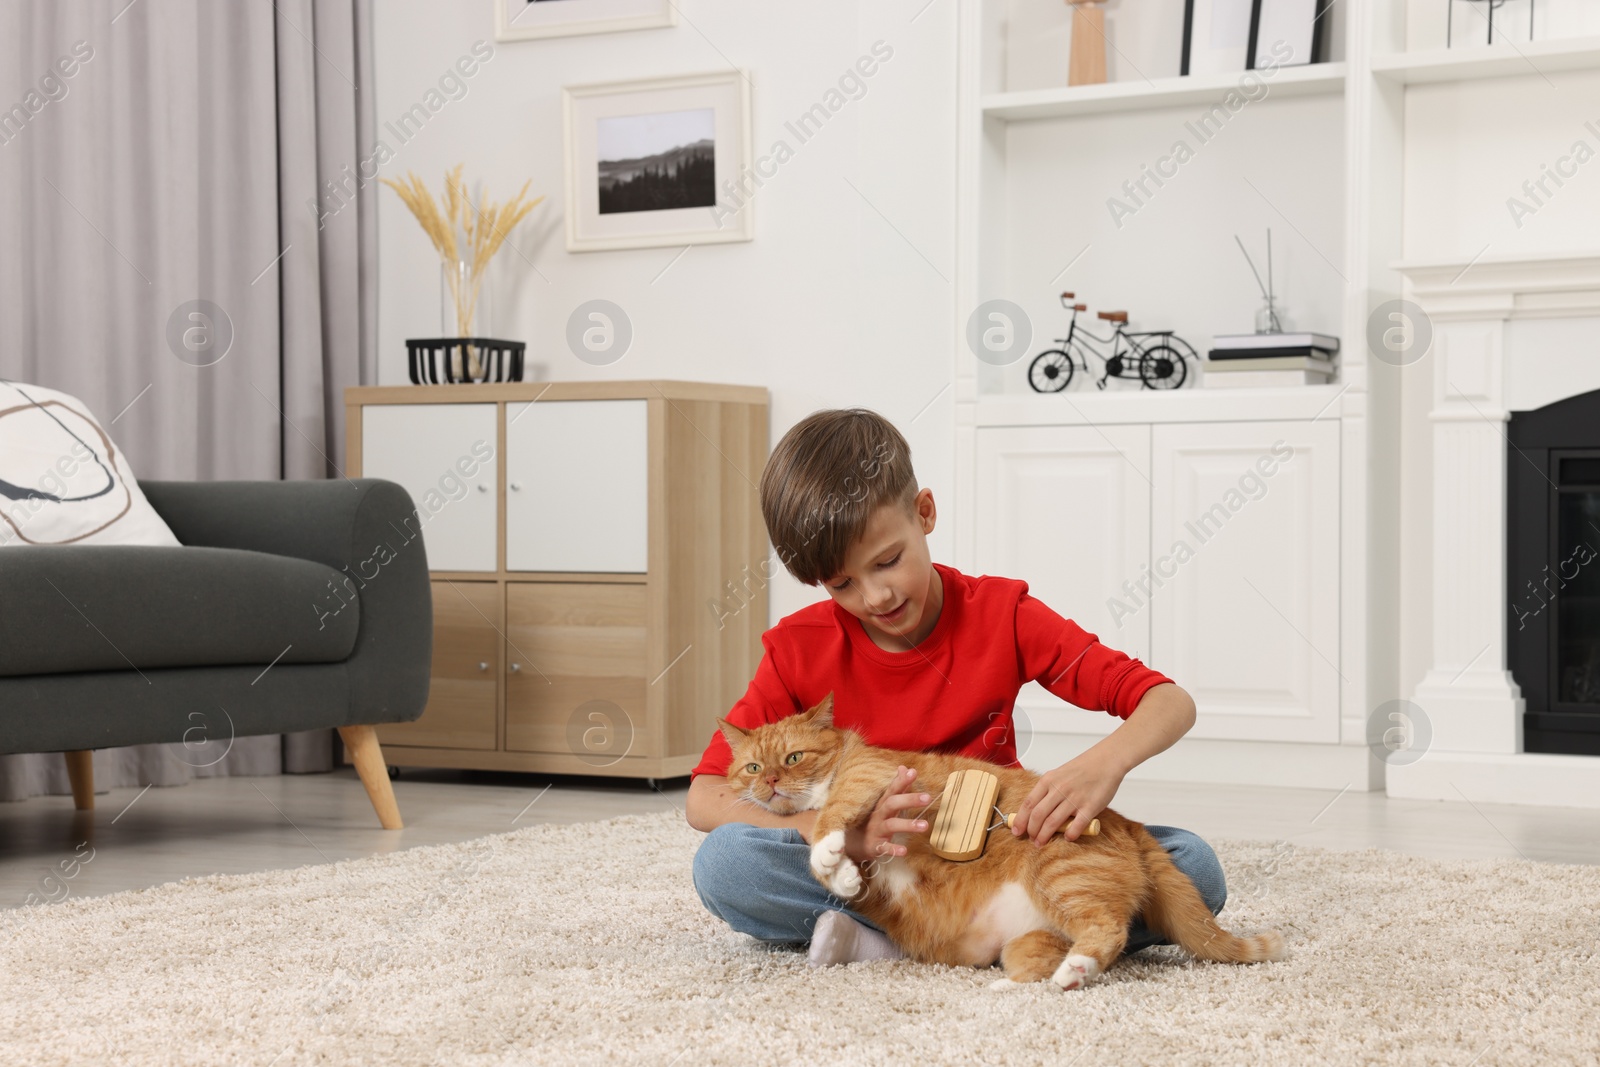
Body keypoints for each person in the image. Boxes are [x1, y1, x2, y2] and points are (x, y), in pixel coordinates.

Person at [684, 408, 1225, 967]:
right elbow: (704, 797)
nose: (874, 598)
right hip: (881, 873)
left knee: (1193, 868)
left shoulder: (1002, 614)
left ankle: (899, 941)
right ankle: (961, 937)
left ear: (925, 513)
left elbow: (1170, 702)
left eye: (888, 562)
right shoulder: (800, 646)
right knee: (725, 865)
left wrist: (1100, 766)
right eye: (842, 584)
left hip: (998, 856)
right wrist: (832, 834)